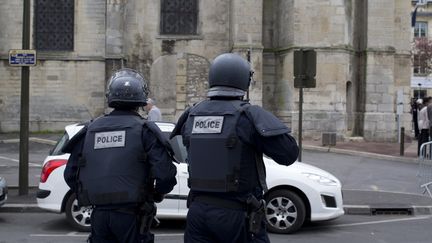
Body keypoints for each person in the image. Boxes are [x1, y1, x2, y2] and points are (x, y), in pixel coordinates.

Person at [170, 53, 299, 242]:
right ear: (243, 81)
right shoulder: (247, 116)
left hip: (198, 213)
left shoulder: (192, 115)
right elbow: (288, 154)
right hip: (237, 213)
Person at [63, 68, 177, 243]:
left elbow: (70, 174)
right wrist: (154, 194)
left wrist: (90, 194)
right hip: (133, 215)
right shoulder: (145, 130)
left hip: (99, 216)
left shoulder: (90, 130)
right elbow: (165, 175)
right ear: (141, 98)